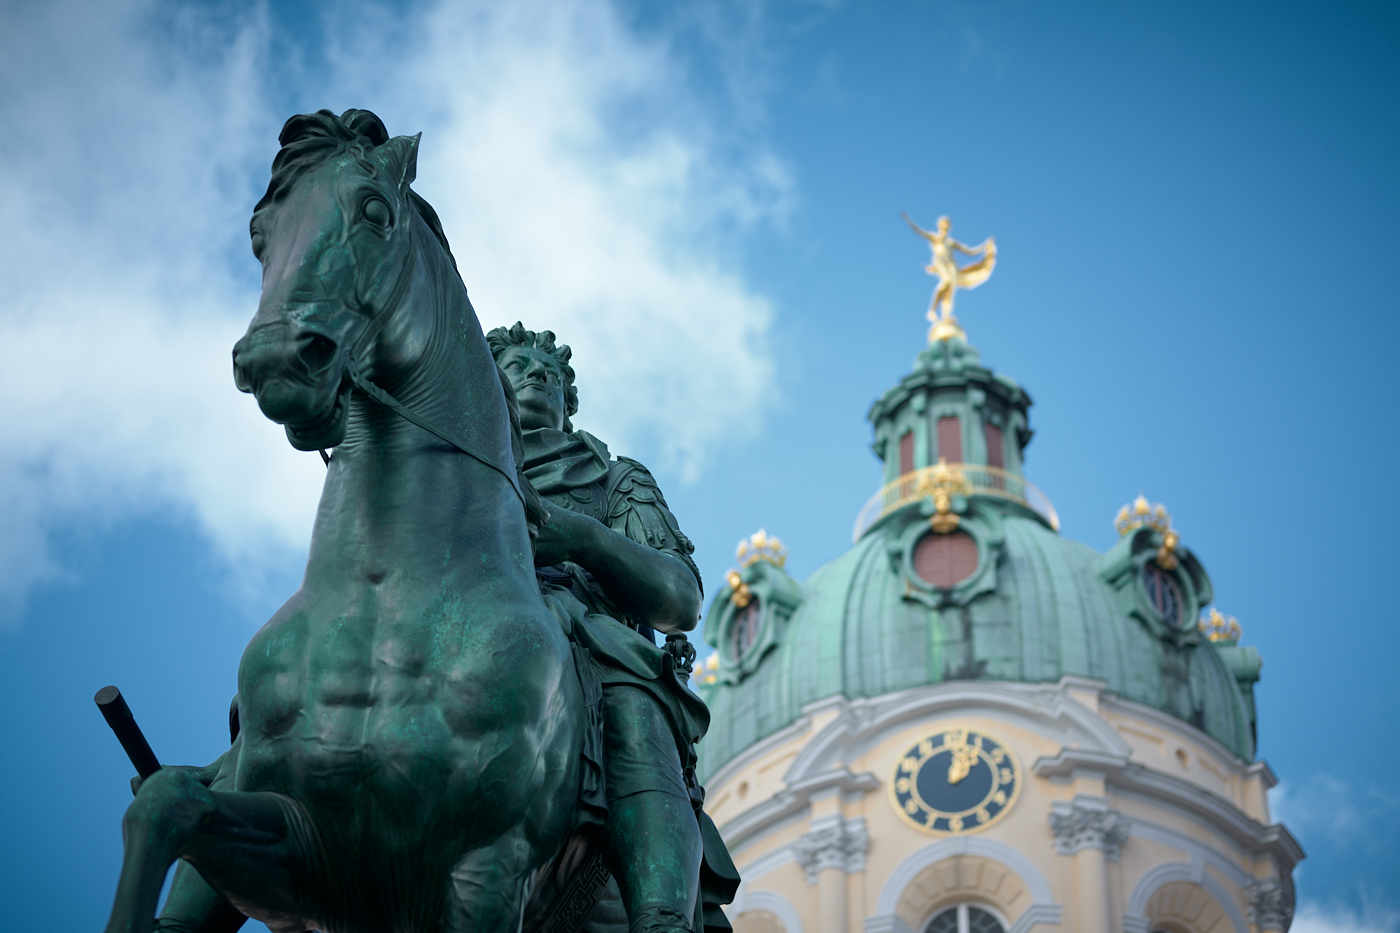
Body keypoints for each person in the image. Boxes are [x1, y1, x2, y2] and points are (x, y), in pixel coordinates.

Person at [487, 322, 735, 933]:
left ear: (568, 403)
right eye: (519, 367)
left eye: (551, 374)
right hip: (470, 628)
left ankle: (660, 913)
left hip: (590, 644)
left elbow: (679, 598)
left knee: (629, 697)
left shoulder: (614, 479)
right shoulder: (439, 468)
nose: (537, 374)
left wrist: (587, 540)